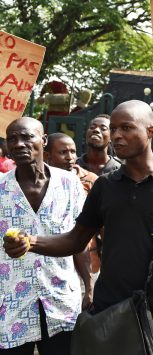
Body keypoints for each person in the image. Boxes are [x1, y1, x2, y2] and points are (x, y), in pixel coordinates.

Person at [3, 101, 153, 355]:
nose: (116, 135)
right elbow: (75, 240)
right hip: (109, 313)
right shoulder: (105, 186)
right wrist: (30, 242)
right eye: (114, 128)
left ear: (150, 131)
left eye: (126, 127)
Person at [0, 117, 90, 354]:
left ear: (44, 140)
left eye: (27, 136)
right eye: (12, 139)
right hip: (11, 303)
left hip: (60, 299)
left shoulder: (69, 184)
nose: (19, 144)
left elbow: (79, 239)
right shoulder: (0, 187)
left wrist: (89, 287)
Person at [44, 133, 101, 274]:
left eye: (73, 152)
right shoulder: (39, 185)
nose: (70, 157)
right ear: (46, 155)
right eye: (63, 152)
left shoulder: (90, 179)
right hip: (52, 263)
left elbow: (101, 223)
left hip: (88, 260)